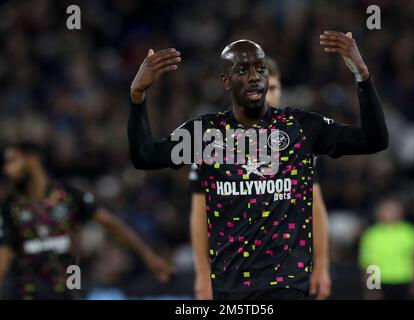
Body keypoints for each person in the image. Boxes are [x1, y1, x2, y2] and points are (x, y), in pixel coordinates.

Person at [128, 31, 388, 299]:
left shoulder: (300, 127)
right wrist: (137, 97)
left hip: (286, 287)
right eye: (242, 69)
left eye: (261, 69)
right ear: (226, 82)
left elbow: (374, 140)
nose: (254, 76)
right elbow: (145, 157)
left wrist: (362, 77)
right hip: (229, 290)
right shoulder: (206, 134)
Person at [189, 58, 331, 300]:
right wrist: (203, 274)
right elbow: (201, 211)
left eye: (273, 88)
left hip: (285, 276)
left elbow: (314, 207)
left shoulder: (296, 139)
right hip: (233, 275)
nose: (268, 94)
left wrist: (321, 265)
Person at [0, 142, 173, 299]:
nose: (8, 169)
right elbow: (4, 256)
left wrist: (148, 255)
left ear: (33, 159)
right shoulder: (10, 206)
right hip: (29, 293)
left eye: (13, 161)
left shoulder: (67, 195)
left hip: (68, 292)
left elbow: (111, 224)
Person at [359, 197, 414, 300]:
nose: (389, 213)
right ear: (378, 212)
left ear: (400, 212)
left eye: (392, 210)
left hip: (405, 279)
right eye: (386, 209)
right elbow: (368, 262)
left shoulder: (410, 232)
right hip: (381, 280)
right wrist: (371, 287)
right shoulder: (371, 234)